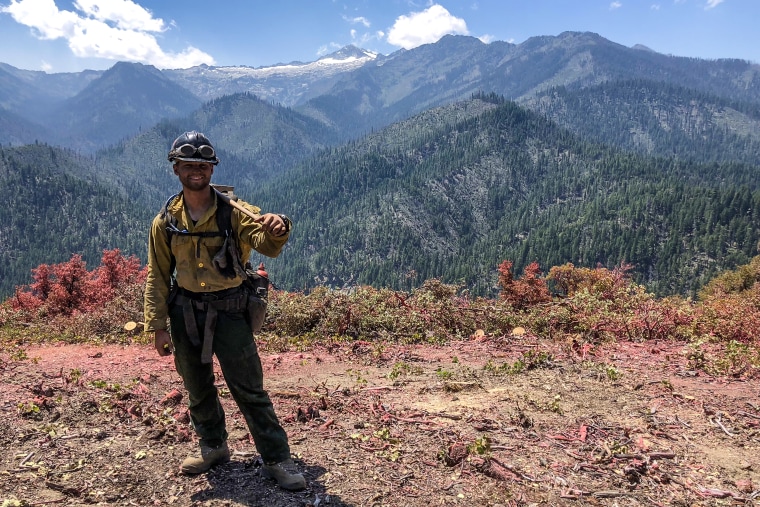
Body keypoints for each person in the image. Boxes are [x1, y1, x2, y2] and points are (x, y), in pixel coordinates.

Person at [143, 131, 305, 491]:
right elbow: (157, 275)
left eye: (202, 165)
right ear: (176, 169)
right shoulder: (166, 221)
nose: (195, 171)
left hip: (231, 311)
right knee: (197, 387)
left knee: (249, 389)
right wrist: (156, 325)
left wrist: (279, 226)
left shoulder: (235, 213)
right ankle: (213, 447)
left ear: (212, 169)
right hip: (184, 313)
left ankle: (277, 458)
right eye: (188, 165)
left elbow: (268, 244)